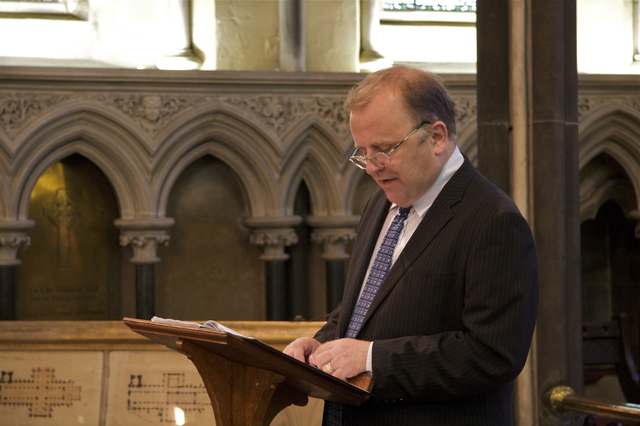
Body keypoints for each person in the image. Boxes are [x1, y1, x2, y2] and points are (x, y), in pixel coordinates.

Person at [283, 65, 539, 426]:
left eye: (384, 149)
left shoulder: (493, 220)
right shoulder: (382, 202)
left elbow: (493, 354)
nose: (372, 167)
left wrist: (373, 360)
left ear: (436, 137)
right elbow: (362, 309)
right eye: (363, 153)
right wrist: (321, 345)